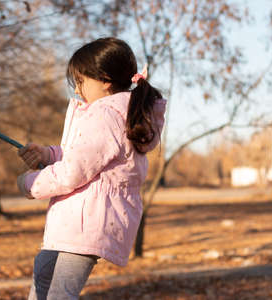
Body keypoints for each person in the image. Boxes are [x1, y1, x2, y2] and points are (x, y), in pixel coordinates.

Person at [17, 37, 167, 300]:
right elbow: (87, 156)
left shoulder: (106, 115)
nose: (77, 89)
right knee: (43, 273)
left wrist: (31, 184)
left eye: (81, 81)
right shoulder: (117, 115)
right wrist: (49, 154)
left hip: (87, 223)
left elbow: (74, 170)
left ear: (105, 80)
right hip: (76, 220)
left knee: (60, 293)